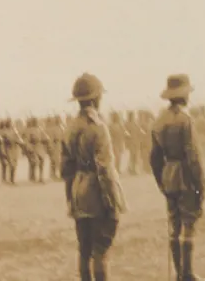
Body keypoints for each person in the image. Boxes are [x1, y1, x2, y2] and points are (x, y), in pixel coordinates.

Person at [61, 73, 127, 281]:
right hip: (97, 192)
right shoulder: (98, 127)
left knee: (85, 249)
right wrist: (113, 201)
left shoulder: (70, 127)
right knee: (101, 251)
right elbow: (105, 169)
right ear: (95, 98)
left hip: (78, 190)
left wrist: (70, 198)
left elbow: (65, 169)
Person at [149, 74, 205, 281]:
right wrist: (201, 183)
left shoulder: (158, 121)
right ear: (183, 95)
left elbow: (154, 158)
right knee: (189, 223)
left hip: (169, 176)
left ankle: (179, 273)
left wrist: (161, 181)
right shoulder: (185, 120)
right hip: (185, 175)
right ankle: (187, 273)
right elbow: (193, 156)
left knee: (174, 225)